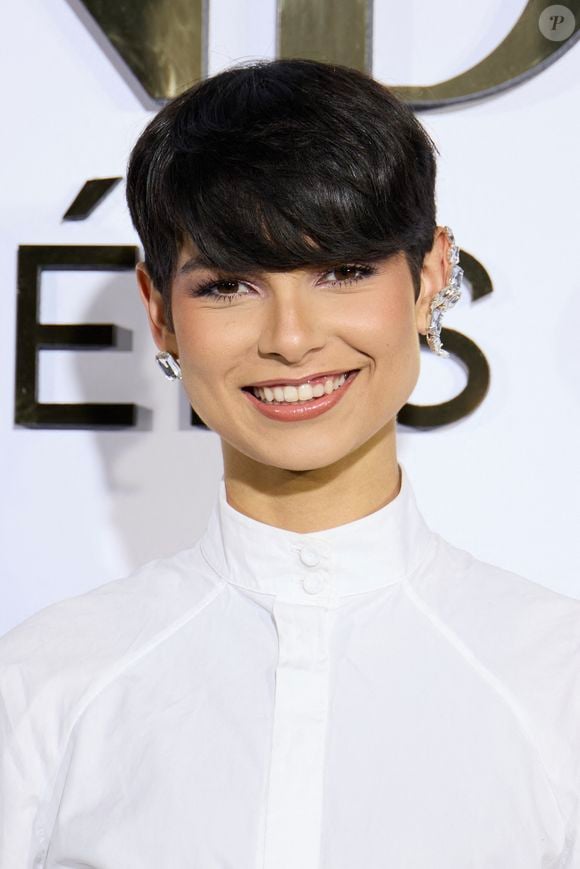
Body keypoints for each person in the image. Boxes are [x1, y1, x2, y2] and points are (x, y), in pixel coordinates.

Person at [1, 58, 579, 869]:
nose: (292, 337)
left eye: (342, 271)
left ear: (431, 276)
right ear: (159, 312)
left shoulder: (556, 678)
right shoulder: (45, 682)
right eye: (230, 285)